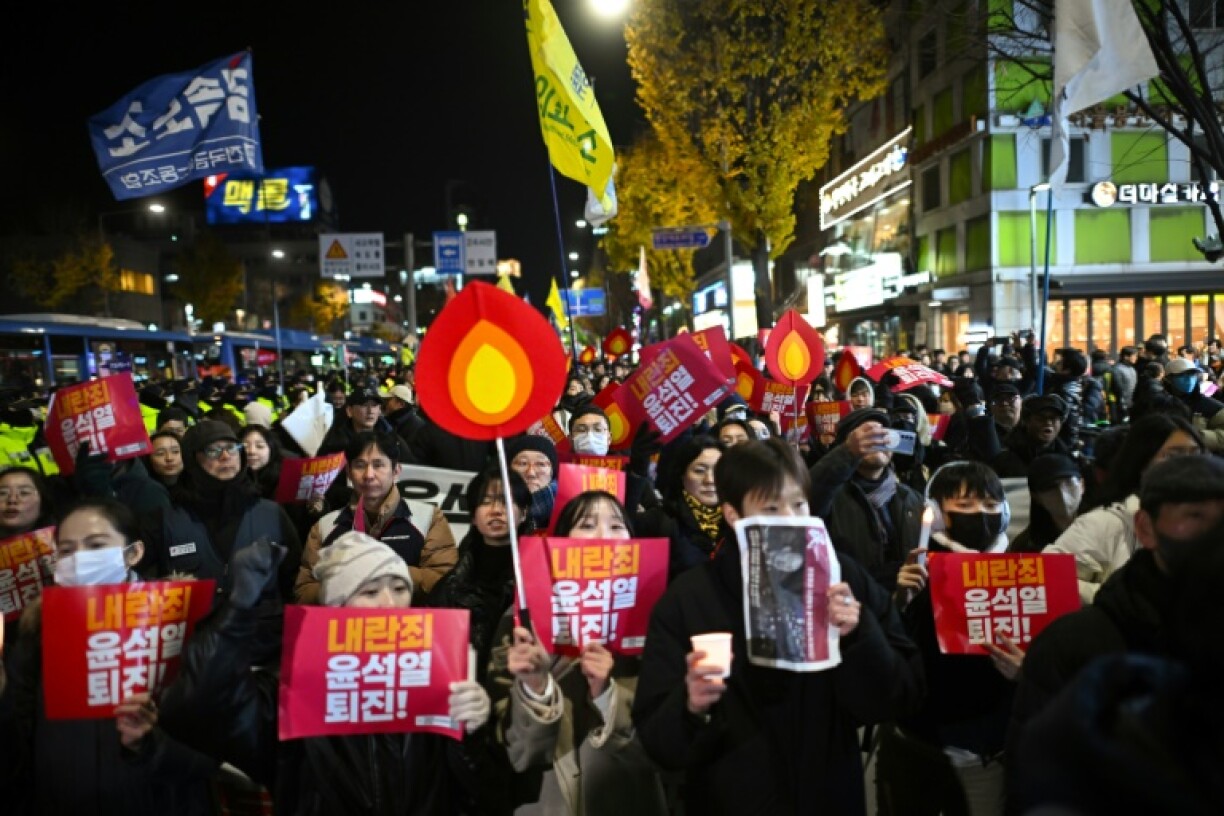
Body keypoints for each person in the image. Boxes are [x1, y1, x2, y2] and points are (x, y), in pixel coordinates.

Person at [632, 437, 922, 814]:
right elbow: (658, 741)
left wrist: (860, 633)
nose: (791, 519)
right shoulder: (690, 599)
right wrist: (690, 706)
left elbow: (903, 694)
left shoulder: (844, 577)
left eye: (798, 504)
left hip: (831, 795)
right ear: (734, 515)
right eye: (771, 507)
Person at [157, 532, 496, 815]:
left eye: (399, 587)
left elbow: (481, 790)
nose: (390, 604)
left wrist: (473, 732)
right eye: (370, 591)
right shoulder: (291, 686)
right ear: (336, 607)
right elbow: (195, 707)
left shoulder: (438, 674)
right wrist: (239, 610)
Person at [1006, 454, 1224, 811]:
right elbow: (1033, 783)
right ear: (1146, 528)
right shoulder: (1076, 641)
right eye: (1195, 516)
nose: (1214, 535)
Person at [2, 497, 218, 814]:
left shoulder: (179, 623)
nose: (79, 560)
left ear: (134, 553)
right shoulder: (39, 631)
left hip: (160, 802)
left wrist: (150, 744)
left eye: (96, 545)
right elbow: (18, 741)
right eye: (66, 550)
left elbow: (212, 749)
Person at [497, 491, 670, 816]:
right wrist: (536, 690)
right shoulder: (523, 617)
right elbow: (519, 756)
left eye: (617, 526)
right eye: (588, 525)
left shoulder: (658, 616)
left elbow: (667, 747)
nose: (604, 537)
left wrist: (607, 695)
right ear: (561, 540)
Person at [880, 461, 1022, 816]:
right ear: (938, 515)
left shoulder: (1023, 574)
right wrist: (900, 604)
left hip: (988, 750)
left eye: (991, 506)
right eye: (966, 506)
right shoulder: (914, 572)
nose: (982, 515)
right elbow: (884, 659)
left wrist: (1026, 670)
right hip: (920, 744)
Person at [140, 420, 303, 657]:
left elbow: (295, 582)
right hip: (192, 654)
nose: (226, 456)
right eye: (213, 450)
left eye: (233, 448)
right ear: (192, 459)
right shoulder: (164, 520)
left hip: (264, 653)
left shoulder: (271, 513)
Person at [1044, 414, 1204, 603]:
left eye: (1195, 454)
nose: (1188, 465)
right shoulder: (1106, 523)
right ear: (1142, 464)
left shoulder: (1211, 521)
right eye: (1172, 456)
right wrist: (1119, 601)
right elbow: (1047, 578)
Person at [295, 431, 457, 603]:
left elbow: (443, 579)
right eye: (360, 465)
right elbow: (304, 590)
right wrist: (341, 582)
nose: (369, 475)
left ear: (396, 471)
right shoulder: (325, 526)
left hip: (408, 625)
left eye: (378, 465)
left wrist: (382, 572)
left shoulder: (429, 518)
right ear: (348, 472)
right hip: (347, 627)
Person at [809, 408, 925, 593]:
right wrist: (847, 454)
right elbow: (810, 495)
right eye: (867, 435)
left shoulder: (912, 498)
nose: (877, 441)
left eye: (883, 434)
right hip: (854, 605)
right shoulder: (831, 498)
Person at [635, 435, 725, 582]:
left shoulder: (738, 520)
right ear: (682, 475)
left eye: (718, 470)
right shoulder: (659, 521)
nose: (710, 480)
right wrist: (637, 473)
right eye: (700, 470)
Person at [1008, 453, 1083, 553]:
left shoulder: (1103, 528)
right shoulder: (1026, 546)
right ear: (1036, 497)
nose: (1062, 495)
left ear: (1082, 485)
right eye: (1050, 488)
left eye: (1069, 484)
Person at [1162, 356, 1224, 452]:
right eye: (1182, 375)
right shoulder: (1158, 402)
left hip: (1199, 461)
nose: (1189, 379)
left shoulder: (1211, 406)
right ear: (1169, 379)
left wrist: (1192, 436)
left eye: (1192, 375)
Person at [318, 385, 395, 457]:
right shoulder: (335, 444)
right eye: (364, 405)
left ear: (379, 410)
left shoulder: (391, 438)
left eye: (374, 405)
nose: (370, 411)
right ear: (349, 411)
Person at [506, 433, 559, 531]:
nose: (531, 473)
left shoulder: (568, 511)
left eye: (541, 464)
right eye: (523, 463)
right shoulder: (497, 510)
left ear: (553, 471)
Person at [240, 423, 284, 500]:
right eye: (245, 446)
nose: (251, 451)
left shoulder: (284, 481)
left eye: (259, 446)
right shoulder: (230, 481)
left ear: (271, 450)